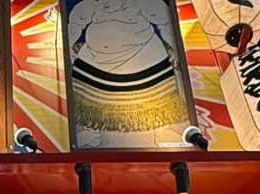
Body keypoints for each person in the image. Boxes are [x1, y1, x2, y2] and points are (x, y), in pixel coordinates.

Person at [67, 0, 189, 147]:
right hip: (96, 60)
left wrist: (175, 48)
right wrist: (68, 49)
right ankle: (91, 132)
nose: (105, 2)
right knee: (88, 100)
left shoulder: (142, 4)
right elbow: (73, 27)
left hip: (143, 56)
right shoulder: (90, 7)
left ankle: (163, 131)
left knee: (158, 98)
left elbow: (165, 24)